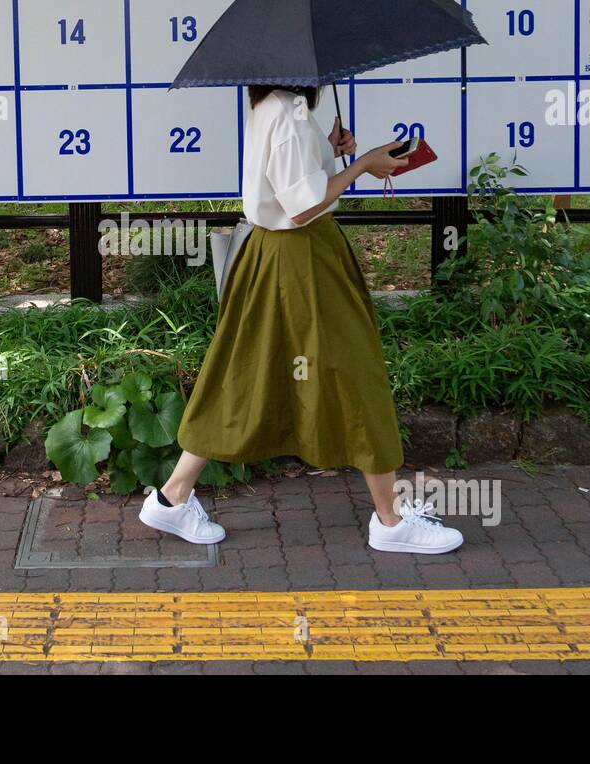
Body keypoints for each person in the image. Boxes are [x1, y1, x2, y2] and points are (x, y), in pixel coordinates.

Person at [139, 84, 465, 555]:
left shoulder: (271, 104)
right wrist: (363, 164)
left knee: (242, 371)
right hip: (304, 257)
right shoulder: (290, 112)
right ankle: (391, 520)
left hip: (273, 255)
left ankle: (172, 497)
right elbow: (304, 204)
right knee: (357, 372)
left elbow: (290, 182)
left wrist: (326, 152)